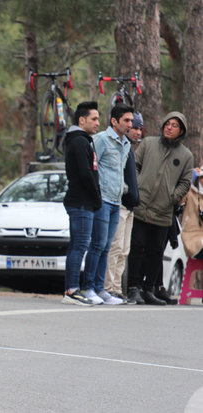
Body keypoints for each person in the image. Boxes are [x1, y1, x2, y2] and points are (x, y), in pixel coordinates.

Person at [127, 111, 193, 305]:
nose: (169, 127)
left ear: (181, 130)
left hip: (164, 211)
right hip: (141, 207)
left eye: (174, 125)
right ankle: (133, 288)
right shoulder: (148, 144)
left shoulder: (186, 155)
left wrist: (173, 197)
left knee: (156, 251)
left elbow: (185, 182)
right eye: (167, 123)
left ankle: (149, 289)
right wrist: (137, 186)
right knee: (137, 248)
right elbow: (134, 166)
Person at [80, 103, 133, 306]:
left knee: (107, 248)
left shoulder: (125, 143)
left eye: (131, 120)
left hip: (116, 201)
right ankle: (88, 287)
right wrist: (95, 194)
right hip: (102, 200)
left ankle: (101, 289)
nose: (130, 124)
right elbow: (91, 167)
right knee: (97, 245)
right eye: (126, 120)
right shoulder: (101, 139)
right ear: (114, 121)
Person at [61, 101, 102, 306]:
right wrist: (96, 197)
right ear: (82, 120)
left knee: (78, 245)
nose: (97, 123)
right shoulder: (78, 141)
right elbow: (85, 174)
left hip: (84, 201)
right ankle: (72, 290)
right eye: (94, 119)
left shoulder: (84, 140)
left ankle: (72, 288)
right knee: (79, 245)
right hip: (81, 202)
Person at [103, 111, 142, 303]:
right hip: (118, 203)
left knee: (124, 250)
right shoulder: (107, 143)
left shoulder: (127, 148)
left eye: (136, 127)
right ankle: (108, 288)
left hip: (130, 208)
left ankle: (117, 289)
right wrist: (125, 192)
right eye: (131, 124)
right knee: (115, 247)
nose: (134, 129)